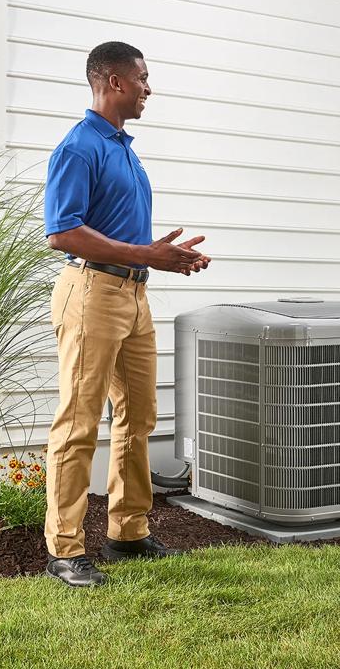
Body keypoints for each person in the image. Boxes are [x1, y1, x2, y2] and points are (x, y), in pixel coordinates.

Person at [42, 41, 210, 587]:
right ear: (113, 81)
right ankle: (65, 548)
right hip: (90, 294)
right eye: (142, 77)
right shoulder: (79, 147)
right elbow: (62, 232)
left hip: (133, 297)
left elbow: (125, 234)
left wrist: (170, 259)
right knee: (79, 422)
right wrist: (147, 255)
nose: (147, 87)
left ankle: (128, 533)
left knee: (138, 417)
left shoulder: (125, 149)